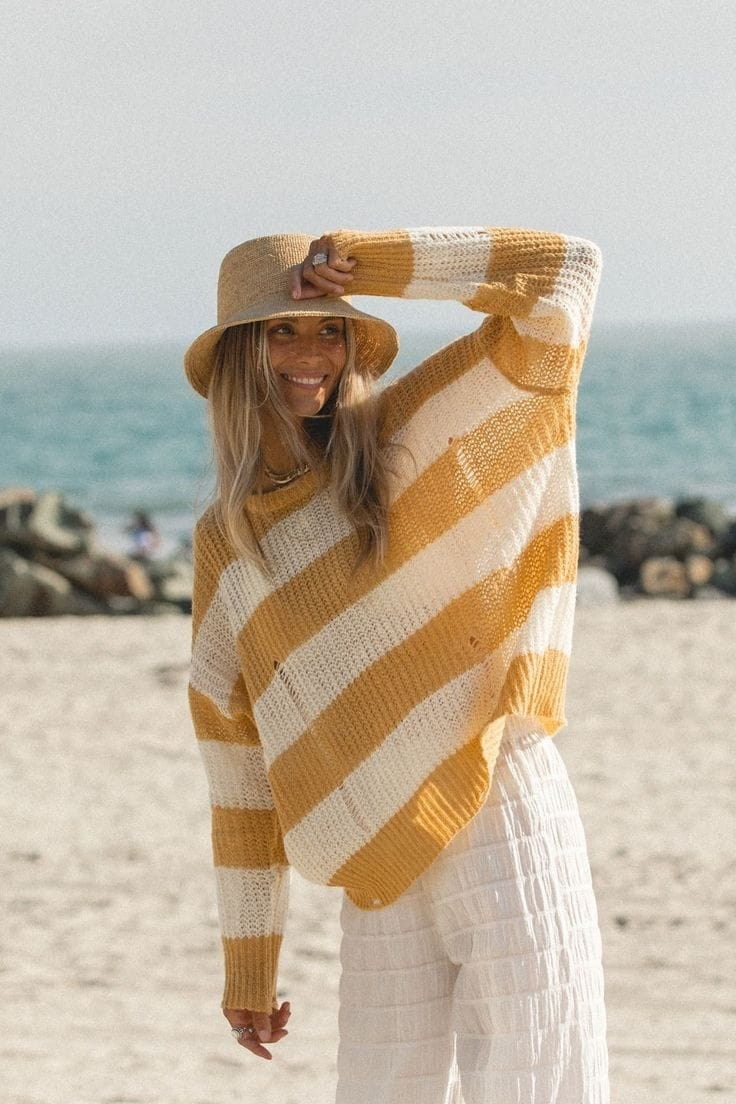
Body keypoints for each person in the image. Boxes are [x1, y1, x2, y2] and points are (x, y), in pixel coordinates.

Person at [184, 226, 610, 1103]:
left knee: (541, 1085)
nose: (313, 353)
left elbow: (563, 284)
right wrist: (250, 964)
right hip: (375, 859)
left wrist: (373, 264)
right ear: (238, 354)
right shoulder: (229, 546)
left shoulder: (406, 437)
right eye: (284, 331)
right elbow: (241, 768)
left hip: (499, 809)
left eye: (332, 328)